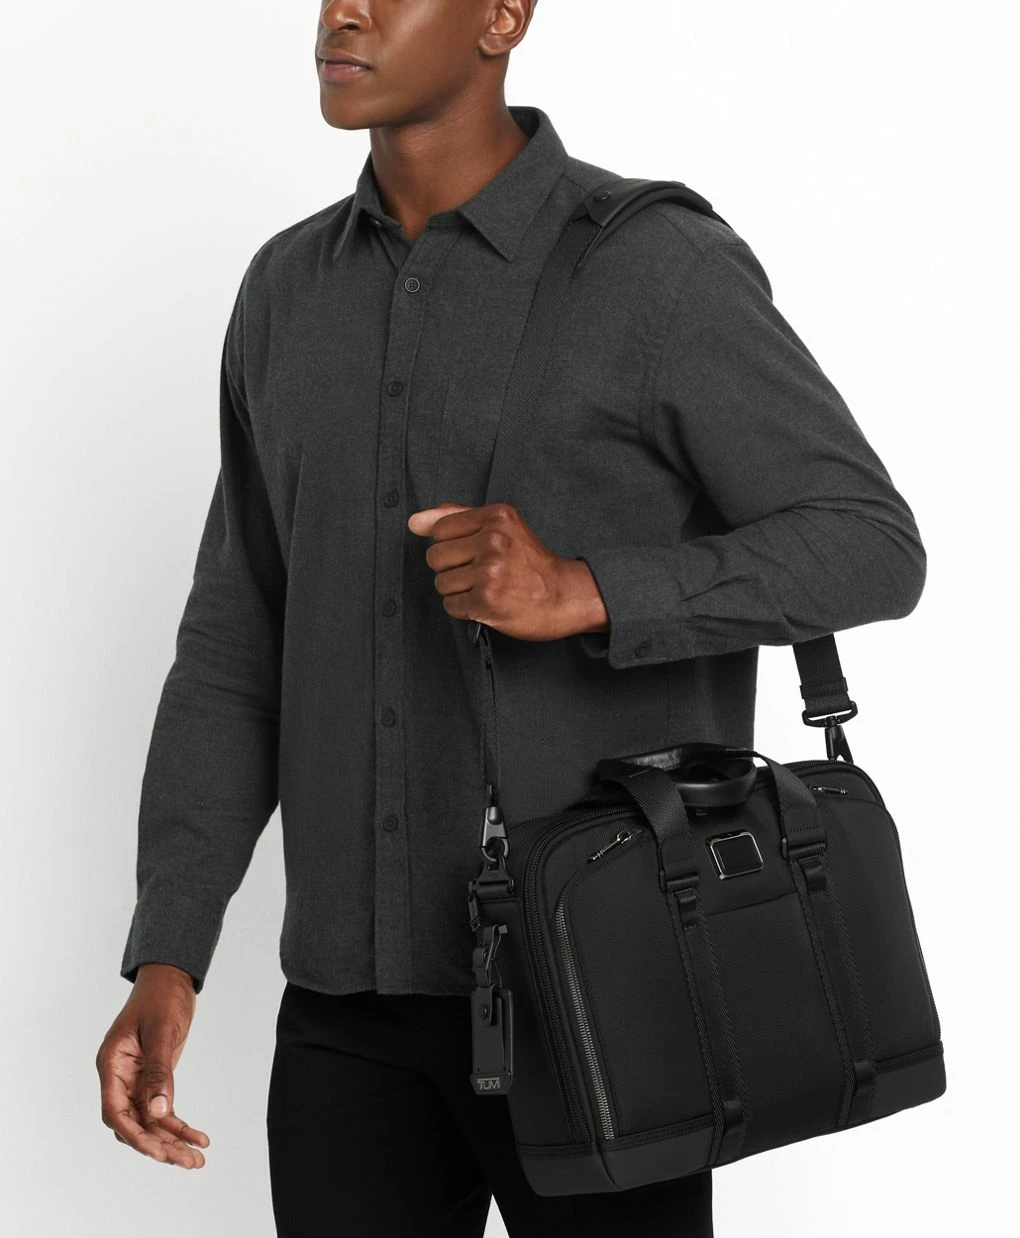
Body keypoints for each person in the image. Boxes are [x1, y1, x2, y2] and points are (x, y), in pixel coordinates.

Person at [95, 2, 926, 1235]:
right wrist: (169, 951)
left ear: (502, 16)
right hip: (347, 1011)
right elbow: (234, 645)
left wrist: (588, 589)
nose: (343, 12)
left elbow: (870, 542)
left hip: (611, 991)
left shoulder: (657, 267)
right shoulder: (285, 292)